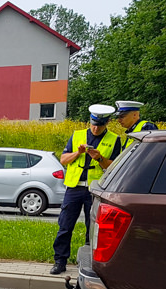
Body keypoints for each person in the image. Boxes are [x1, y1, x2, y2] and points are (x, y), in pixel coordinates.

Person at [50, 104, 123, 275]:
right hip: (74, 188)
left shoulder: (114, 139)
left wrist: (100, 158)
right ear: (89, 121)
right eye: (93, 124)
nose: (96, 128)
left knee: (93, 229)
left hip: (95, 190)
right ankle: (59, 261)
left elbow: (114, 166)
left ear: (107, 123)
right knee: (65, 226)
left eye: (100, 125)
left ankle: (91, 265)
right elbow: (64, 159)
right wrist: (78, 153)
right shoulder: (78, 135)